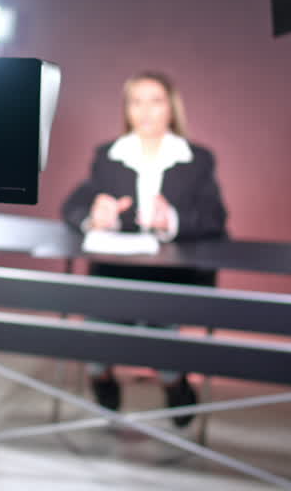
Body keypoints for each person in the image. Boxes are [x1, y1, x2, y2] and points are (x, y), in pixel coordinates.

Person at [61, 71, 229, 426]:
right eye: (136, 101)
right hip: (116, 272)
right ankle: (102, 378)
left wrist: (175, 219)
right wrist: (94, 215)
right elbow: (72, 207)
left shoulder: (197, 158)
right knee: (99, 326)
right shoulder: (108, 155)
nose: (146, 111)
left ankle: (173, 382)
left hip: (172, 274)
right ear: (127, 109)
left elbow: (215, 218)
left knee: (158, 321)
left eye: (155, 101)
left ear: (172, 107)